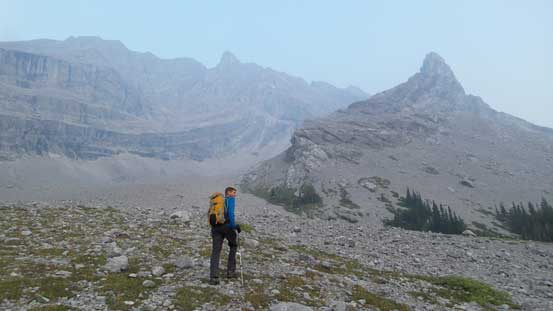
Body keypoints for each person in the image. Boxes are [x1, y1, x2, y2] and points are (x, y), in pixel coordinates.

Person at [209, 186, 241, 285]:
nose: (235, 194)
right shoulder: (230, 200)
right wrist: (234, 226)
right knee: (233, 245)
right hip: (227, 227)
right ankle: (231, 271)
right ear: (228, 193)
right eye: (234, 192)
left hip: (215, 227)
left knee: (216, 251)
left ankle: (214, 277)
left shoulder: (217, 202)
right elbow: (231, 214)